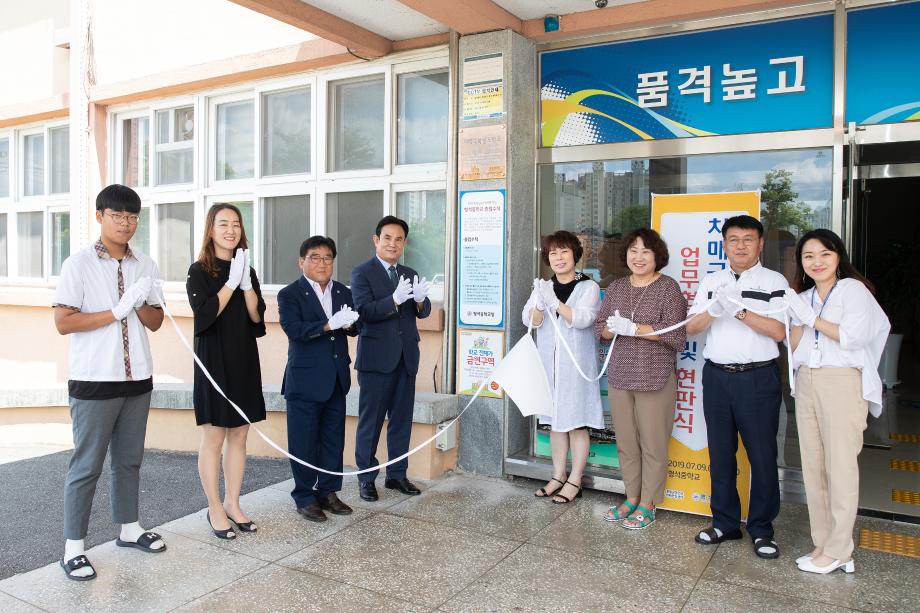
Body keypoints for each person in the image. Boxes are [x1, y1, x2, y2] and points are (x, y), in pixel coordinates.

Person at [53, 184, 166, 581]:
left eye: (132, 216)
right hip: (94, 379)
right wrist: (114, 311)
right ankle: (72, 549)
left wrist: (140, 302)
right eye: (117, 215)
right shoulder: (78, 264)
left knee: (129, 460)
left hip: (138, 378)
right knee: (86, 465)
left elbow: (156, 321)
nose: (126, 223)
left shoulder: (145, 264)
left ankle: (129, 528)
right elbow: (64, 322)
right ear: (99, 216)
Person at [785, 229, 889, 575]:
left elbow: (853, 336)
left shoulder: (853, 291)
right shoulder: (806, 296)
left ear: (838, 256)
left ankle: (841, 549)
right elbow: (797, 346)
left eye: (824, 254)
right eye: (808, 256)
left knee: (840, 467)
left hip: (842, 381)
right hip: (808, 380)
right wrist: (792, 317)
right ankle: (823, 543)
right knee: (813, 465)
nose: (816, 262)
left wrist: (810, 317)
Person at [686, 214, 789, 559]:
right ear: (724, 244)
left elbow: (779, 332)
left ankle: (761, 529)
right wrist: (716, 308)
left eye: (748, 239)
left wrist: (740, 310)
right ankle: (725, 523)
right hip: (717, 376)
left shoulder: (775, 281)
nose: (740, 245)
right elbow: (691, 328)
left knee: (762, 456)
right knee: (720, 453)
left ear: (760, 244)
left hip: (758, 378)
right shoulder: (711, 280)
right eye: (733, 239)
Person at [593, 229, 687, 529]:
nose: (639, 257)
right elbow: (600, 329)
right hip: (620, 375)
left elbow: (676, 336)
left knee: (653, 444)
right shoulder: (617, 287)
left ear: (657, 256)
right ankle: (631, 496)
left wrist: (636, 328)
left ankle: (648, 503)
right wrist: (611, 329)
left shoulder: (669, 288)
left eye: (646, 251)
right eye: (633, 250)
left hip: (655, 377)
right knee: (626, 443)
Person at [186, 204, 266, 540]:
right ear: (210, 229)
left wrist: (246, 285)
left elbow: (256, 317)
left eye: (236, 224)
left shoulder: (246, 267)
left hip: (244, 359)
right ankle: (215, 506)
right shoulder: (198, 270)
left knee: (240, 435)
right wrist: (231, 284)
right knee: (214, 436)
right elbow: (205, 316)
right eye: (223, 224)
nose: (230, 230)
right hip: (213, 362)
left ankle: (234, 503)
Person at [278, 236, 359, 522]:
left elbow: (354, 326)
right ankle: (304, 496)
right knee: (303, 442)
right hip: (305, 381)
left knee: (332, 440)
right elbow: (294, 330)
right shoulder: (289, 294)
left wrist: (351, 324)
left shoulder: (341, 291)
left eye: (327, 258)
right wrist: (328, 325)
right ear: (302, 262)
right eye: (315, 257)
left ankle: (328, 491)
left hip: (336, 379)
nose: (322, 263)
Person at [351, 216, 431, 501]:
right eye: (387, 238)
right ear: (376, 240)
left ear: (404, 243)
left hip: (406, 357)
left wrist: (420, 300)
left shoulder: (409, 272)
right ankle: (366, 478)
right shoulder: (362, 273)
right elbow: (362, 311)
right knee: (370, 421)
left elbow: (422, 311)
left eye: (398, 239)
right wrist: (393, 301)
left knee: (402, 420)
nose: (392, 244)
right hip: (376, 359)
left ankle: (397, 475)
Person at [523, 230, 604, 504]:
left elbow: (583, 319)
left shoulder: (588, 287)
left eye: (564, 252)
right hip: (550, 368)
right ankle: (558, 475)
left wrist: (555, 303)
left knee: (576, 424)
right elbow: (531, 321)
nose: (558, 258)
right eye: (553, 253)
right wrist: (539, 302)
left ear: (575, 255)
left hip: (576, 368)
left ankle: (575, 479)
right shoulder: (543, 287)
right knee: (556, 424)